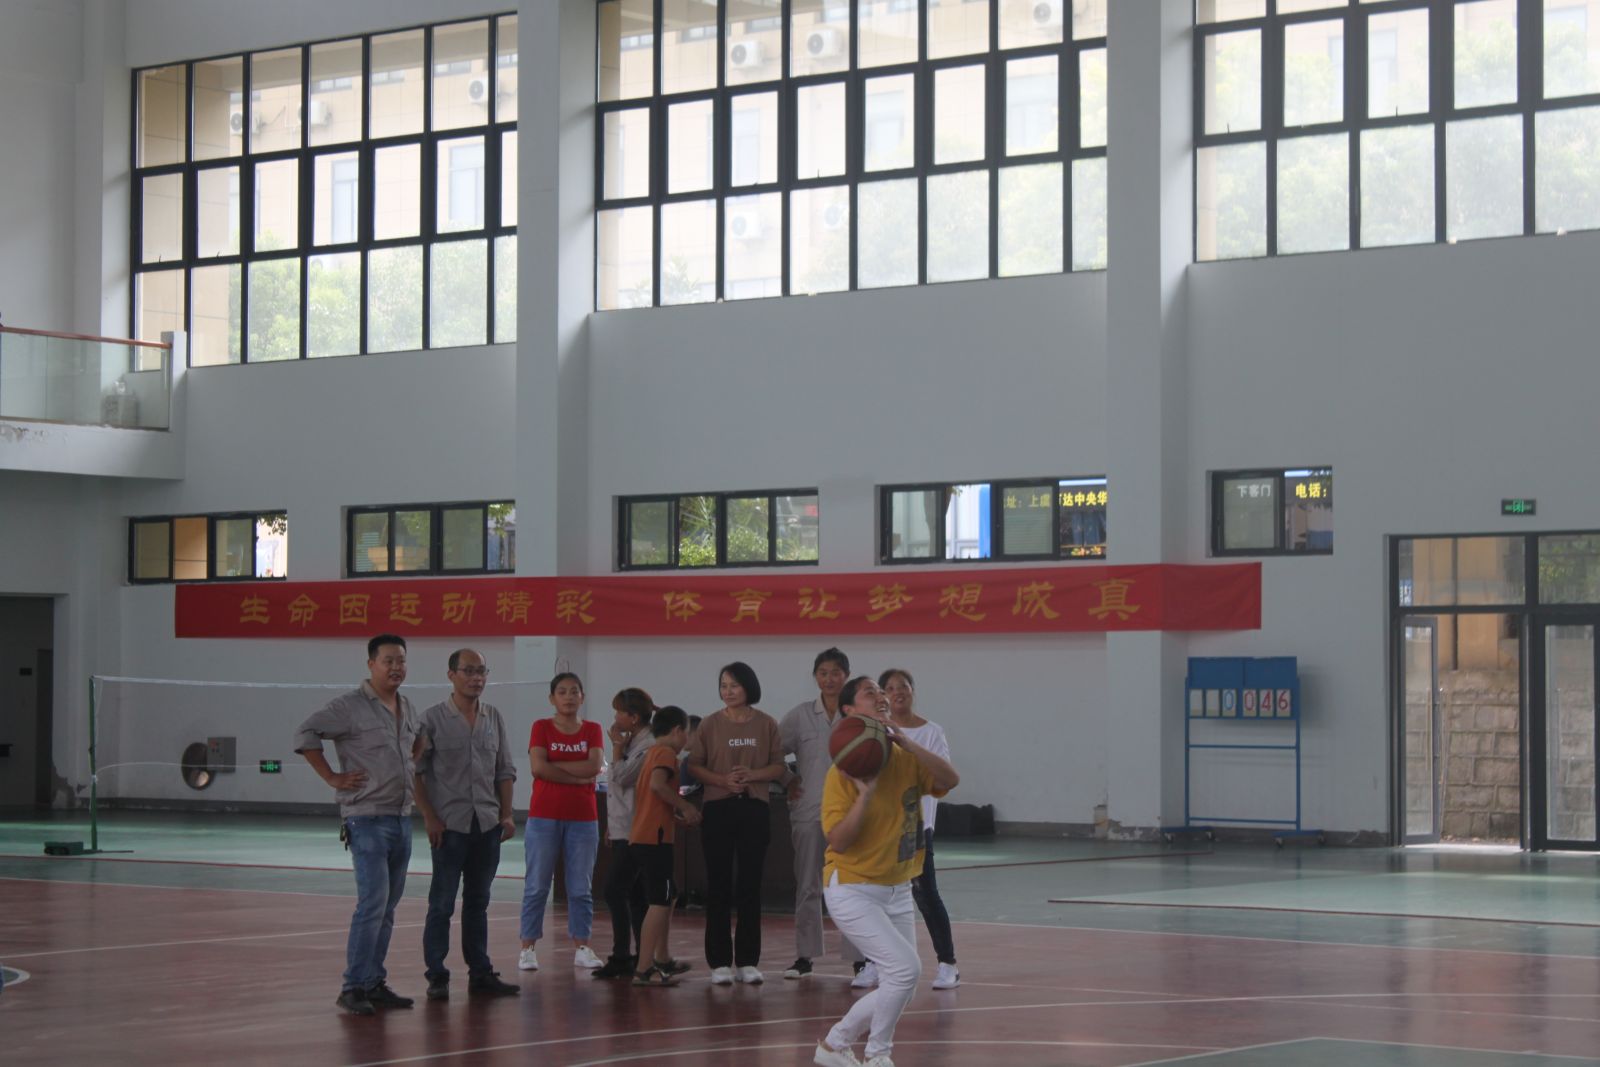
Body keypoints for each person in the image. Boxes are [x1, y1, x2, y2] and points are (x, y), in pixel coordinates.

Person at [813, 677, 960, 1067]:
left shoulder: (905, 757)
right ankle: (878, 1055)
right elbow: (838, 841)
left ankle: (835, 1044)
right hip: (852, 888)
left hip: (897, 887)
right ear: (849, 711)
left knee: (903, 984)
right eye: (870, 692)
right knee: (905, 970)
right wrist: (865, 796)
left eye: (882, 690)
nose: (881, 696)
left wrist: (910, 744)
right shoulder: (843, 772)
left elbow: (950, 780)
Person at [293, 634, 421, 1016]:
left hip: (401, 818)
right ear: (371, 664)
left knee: (388, 907)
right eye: (388, 661)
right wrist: (332, 777)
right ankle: (352, 987)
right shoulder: (349, 707)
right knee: (372, 903)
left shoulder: (407, 707)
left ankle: (373, 982)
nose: (396, 667)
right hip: (367, 819)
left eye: (401, 660)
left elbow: (417, 745)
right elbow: (305, 734)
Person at [412, 648, 519, 1000]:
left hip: (486, 825)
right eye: (469, 671)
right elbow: (416, 772)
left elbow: (504, 770)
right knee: (442, 903)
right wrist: (429, 816)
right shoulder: (431, 720)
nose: (476, 678)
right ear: (451, 675)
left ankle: (480, 972)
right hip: (449, 827)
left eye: (482, 671)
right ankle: (437, 975)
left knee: (478, 902)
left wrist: (506, 813)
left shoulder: (494, 717)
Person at [686, 661, 786, 985]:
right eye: (723, 686)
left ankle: (747, 960)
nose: (728, 691)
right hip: (718, 808)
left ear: (749, 687)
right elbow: (694, 765)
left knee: (750, 885)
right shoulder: (709, 724)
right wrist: (721, 780)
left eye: (734, 685)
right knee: (718, 884)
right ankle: (719, 962)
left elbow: (778, 766)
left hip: (754, 809)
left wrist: (752, 775)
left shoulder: (766, 723)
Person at [519, 671, 605, 972]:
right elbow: (538, 768)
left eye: (574, 691)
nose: (569, 697)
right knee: (537, 885)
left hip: (583, 819)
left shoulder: (593, 729)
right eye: (562, 692)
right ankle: (527, 948)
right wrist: (577, 776)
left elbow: (594, 766)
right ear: (552, 698)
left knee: (580, 887)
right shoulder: (541, 727)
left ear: (583, 696)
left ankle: (582, 946)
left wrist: (557, 767)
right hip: (544, 817)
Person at [879, 668, 959, 990]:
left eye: (903, 686)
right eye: (889, 688)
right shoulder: (877, 731)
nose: (897, 692)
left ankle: (947, 963)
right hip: (882, 827)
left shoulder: (932, 732)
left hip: (917, 826)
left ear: (913, 691)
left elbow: (943, 776)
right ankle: (873, 963)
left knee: (926, 894)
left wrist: (908, 745)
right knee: (879, 895)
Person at [778, 647, 853, 980]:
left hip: (851, 816)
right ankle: (805, 956)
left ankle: (859, 959)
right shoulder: (800, 716)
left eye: (835, 672)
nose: (829, 679)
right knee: (808, 885)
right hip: (809, 811)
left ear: (846, 676)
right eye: (823, 673)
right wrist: (787, 779)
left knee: (852, 887)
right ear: (815, 677)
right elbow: (773, 752)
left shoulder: (856, 716)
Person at [628, 705, 702, 986]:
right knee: (659, 901)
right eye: (687, 733)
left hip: (647, 834)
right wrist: (685, 806)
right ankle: (644, 968)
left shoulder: (652, 753)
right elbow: (658, 786)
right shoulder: (666, 754)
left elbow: (653, 797)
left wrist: (674, 815)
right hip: (654, 838)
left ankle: (662, 957)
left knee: (669, 895)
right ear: (678, 731)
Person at [592, 687, 657, 979]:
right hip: (624, 826)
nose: (615, 717)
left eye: (619, 712)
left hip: (636, 828)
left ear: (634, 717)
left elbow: (621, 776)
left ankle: (623, 955)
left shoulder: (647, 745)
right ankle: (640, 956)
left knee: (614, 890)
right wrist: (611, 824)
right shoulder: (632, 742)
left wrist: (616, 748)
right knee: (636, 894)